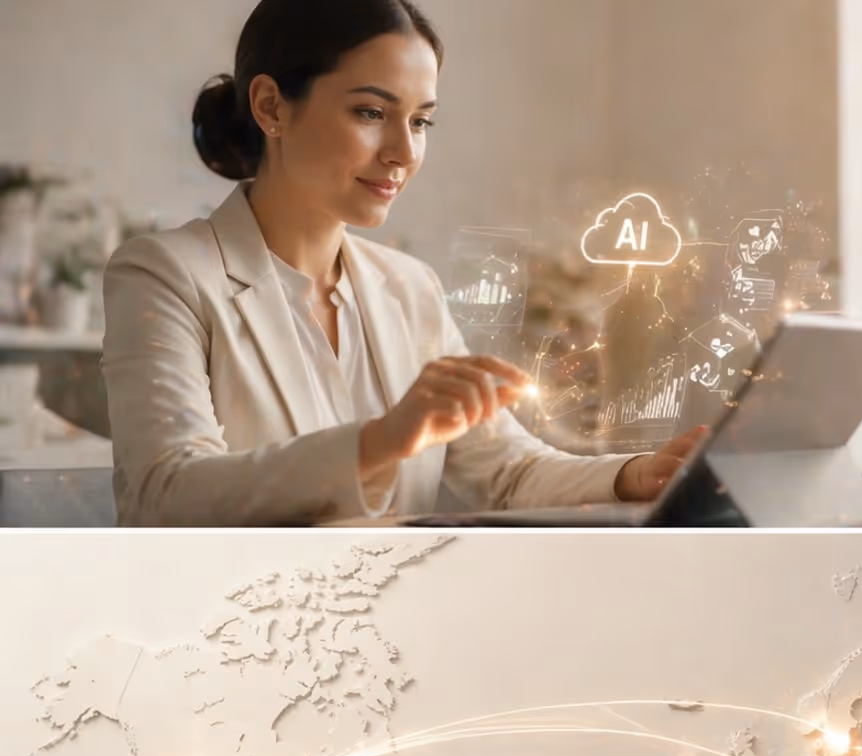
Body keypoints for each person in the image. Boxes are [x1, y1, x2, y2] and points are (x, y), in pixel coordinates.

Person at [102, 0, 705, 526]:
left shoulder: (410, 288)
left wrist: (637, 474)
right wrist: (381, 441)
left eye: (420, 121)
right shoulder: (164, 274)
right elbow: (167, 493)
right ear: (271, 107)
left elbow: (508, 474)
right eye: (371, 113)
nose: (403, 151)